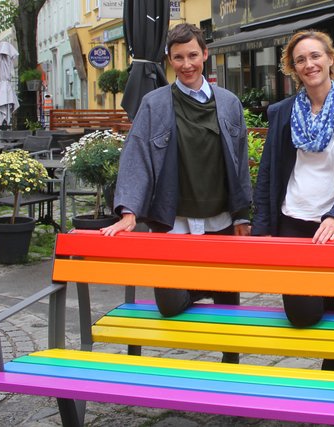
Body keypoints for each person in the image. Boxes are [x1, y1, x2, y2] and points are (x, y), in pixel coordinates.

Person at [101, 23, 252, 362]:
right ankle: (207, 285)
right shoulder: (155, 104)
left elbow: (240, 160)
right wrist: (129, 212)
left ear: (205, 55)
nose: (187, 64)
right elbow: (136, 154)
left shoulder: (228, 103)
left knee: (228, 305)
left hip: (220, 218)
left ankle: (231, 362)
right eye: (179, 57)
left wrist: (243, 214)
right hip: (173, 219)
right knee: (169, 304)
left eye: (193, 56)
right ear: (169, 60)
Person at [251, 30, 334, 370]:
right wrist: (262, 226)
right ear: (293, 69)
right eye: (300, 60)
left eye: (315, 56)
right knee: (301, 312)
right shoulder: (283, 113)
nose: (309, 64)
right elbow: (267, 172)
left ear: (330, 59)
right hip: (292, 223)